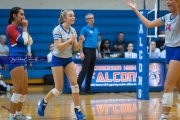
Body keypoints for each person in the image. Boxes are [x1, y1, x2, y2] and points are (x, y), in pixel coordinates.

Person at [125, 0, 180, 119]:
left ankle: (164, 117)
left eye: (171, 0)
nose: (167, 2)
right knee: (178, 85)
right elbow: (149, 24)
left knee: (167, 86)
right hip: (169, 51)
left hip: (178, 50)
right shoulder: (167, 17)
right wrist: (135, 10)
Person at [37, 9, 86, 120]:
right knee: (58, 89)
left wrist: (80, 41)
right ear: (64, 18)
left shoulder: (73, 30)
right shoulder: (57, 30)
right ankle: (43, 102)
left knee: (75, 85)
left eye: (73, 15)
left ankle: (77, 111)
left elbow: (76, 48)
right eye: (70, 15)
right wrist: (71, 40)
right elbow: (58, 46)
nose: (73, 17)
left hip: (68, 59)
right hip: (57, 59)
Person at [6, 7, 33, 120]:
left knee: (24, 90)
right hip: (15, 59)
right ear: (14, 15)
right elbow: (24, 41)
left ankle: (19, 114)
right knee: (17, 91)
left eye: (24, 14)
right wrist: (25, 28)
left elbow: (30, 41)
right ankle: (12, 116)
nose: (23, 16)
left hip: (23, 59)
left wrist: (24, 30)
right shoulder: (10, 28)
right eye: (21, 14)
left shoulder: (20, 29)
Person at [77, 13, 101, 95]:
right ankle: (78, 88)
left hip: (94, 51)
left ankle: (87, 88)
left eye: (93, 18)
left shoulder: (96, 29)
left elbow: (97, 42)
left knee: (91, 71)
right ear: (87, 20)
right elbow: (81, 41)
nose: (92, 19)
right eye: (90, 18)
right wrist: (81, 52)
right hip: (87, 50)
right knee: (84, 70)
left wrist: (99, 52)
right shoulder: (84, 29)